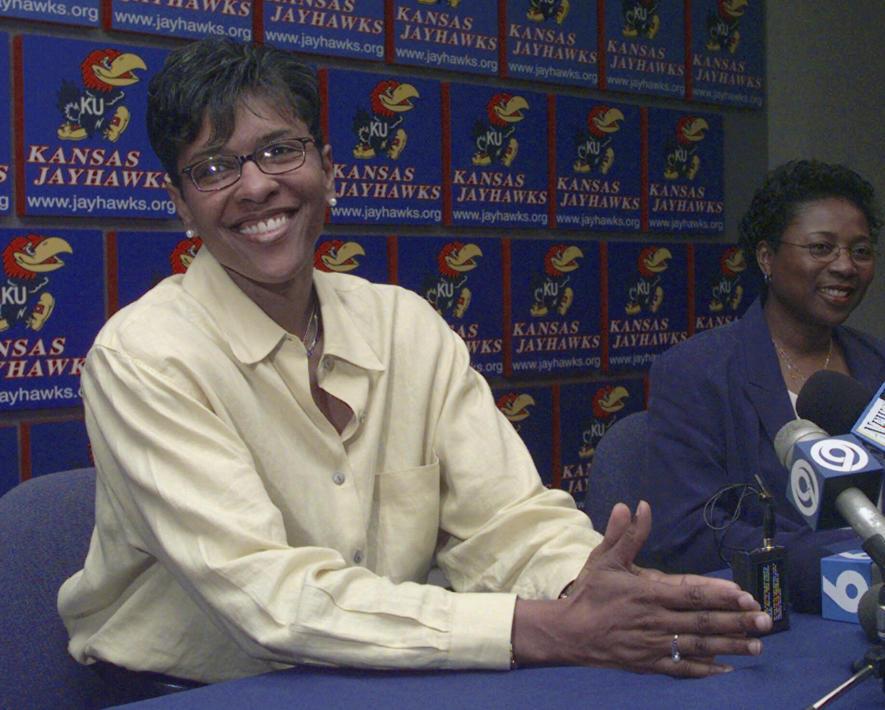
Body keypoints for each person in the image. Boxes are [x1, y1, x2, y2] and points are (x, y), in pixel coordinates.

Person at [57, 37, 771, 693]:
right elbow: (267, 598)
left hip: (382, 675)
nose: (256, 186)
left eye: (280, 150)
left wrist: (586, 584)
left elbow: (506, 520)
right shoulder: (145, 355)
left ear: (327, 169)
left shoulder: (403, 323)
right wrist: (537, 627)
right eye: (214, 168)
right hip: (195, 692)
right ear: (180, 204)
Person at [628, 159, 885, 611]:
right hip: (770, 621)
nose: (845, 266)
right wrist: (850, 553)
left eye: (861, 251)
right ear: (767, 257)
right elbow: (688, 533)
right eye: (822, 248)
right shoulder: (698, 372)